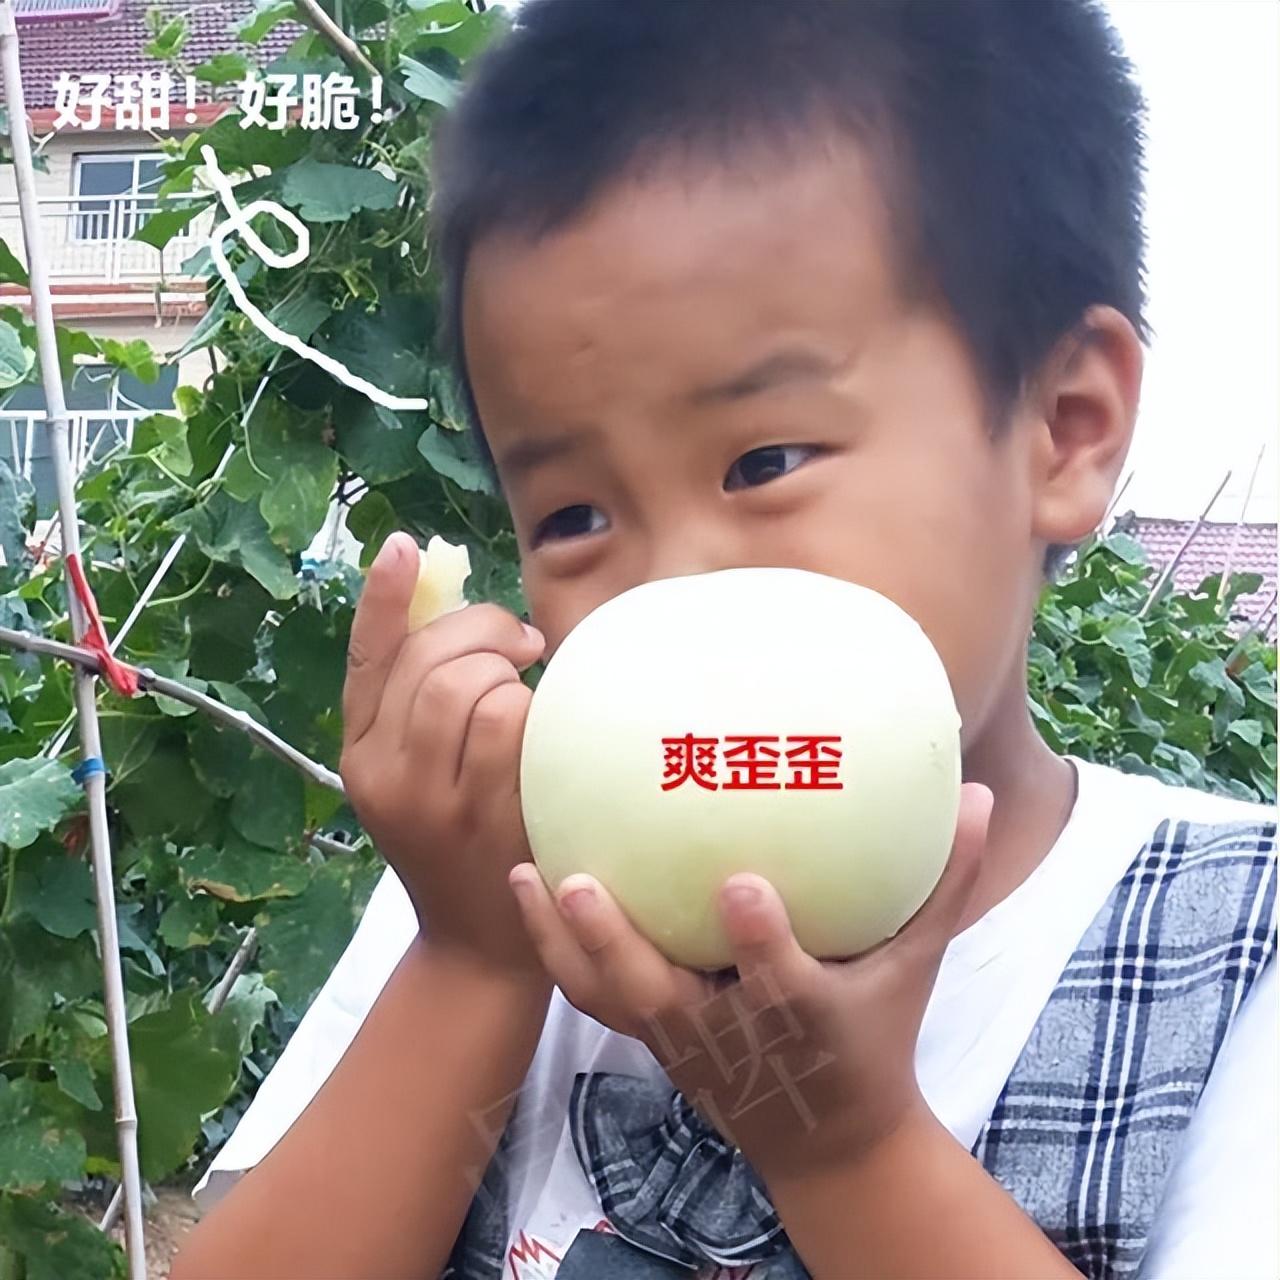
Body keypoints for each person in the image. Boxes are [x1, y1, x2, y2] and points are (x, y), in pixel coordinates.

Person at [169, 2, 1278, 1277]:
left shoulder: (1229, 952)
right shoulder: (506, 885)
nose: (669, 585)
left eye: (763, 461)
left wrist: (846, 1149)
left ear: (1062, 429)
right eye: (573, 515)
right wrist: (470, 962)